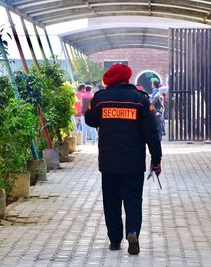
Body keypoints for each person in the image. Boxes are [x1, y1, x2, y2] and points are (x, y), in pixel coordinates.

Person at [85, 64, 162, 255]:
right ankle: (132, 232)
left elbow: (89, 120)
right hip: (133, 163)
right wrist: (156, 159)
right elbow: (152, 132)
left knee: (111, 201)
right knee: (133, 199)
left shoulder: (100, 99)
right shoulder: (140, 99)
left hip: (109, 162)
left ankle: (114, 240)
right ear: (127, 78)